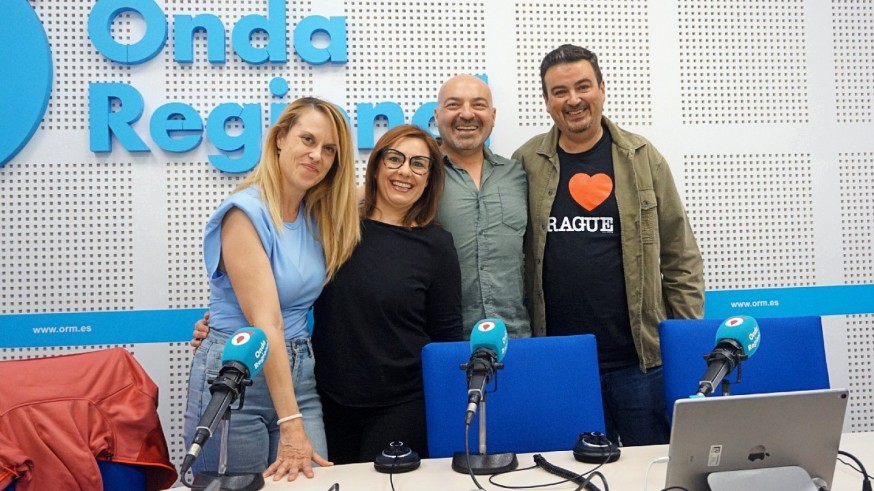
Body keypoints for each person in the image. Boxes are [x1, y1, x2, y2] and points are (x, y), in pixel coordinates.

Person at [512, 44, 705, 446]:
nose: (574, 100)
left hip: (640, 364)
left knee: (648, 473)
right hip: (561, 363)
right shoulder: (527, 162)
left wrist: (683, 345)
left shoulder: (643, 158)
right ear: (546, 101)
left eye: (583, 86)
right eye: (560, 91)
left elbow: (681, 258)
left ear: (602, 88)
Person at [183, 97, 360, 481]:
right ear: (280, 138)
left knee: (312, 481)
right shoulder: (244, 213)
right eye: (307, 140)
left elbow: (382, 188)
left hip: (298, 372)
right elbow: (268, 324)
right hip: (236, 377)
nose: (317, 156)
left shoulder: (320, 214)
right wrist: (291, 423)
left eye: (330, 149)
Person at [312, 124, 463, 464]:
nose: (405, 171)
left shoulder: (437, 246)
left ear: (429, 178)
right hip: (329, 401)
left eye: (419, 164)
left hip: (402, 405)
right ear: (377, 165)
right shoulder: (337, 227)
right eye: (395, 158)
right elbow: (288, 290)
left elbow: (447, 336)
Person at [433, 74, 530, 338]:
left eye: (478, 105)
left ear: (493, 115)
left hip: (516, 336)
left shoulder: (518, 174)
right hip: (446, 339)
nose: (467, 114)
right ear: (437, 114)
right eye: (454, 105)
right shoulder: (420, 174)